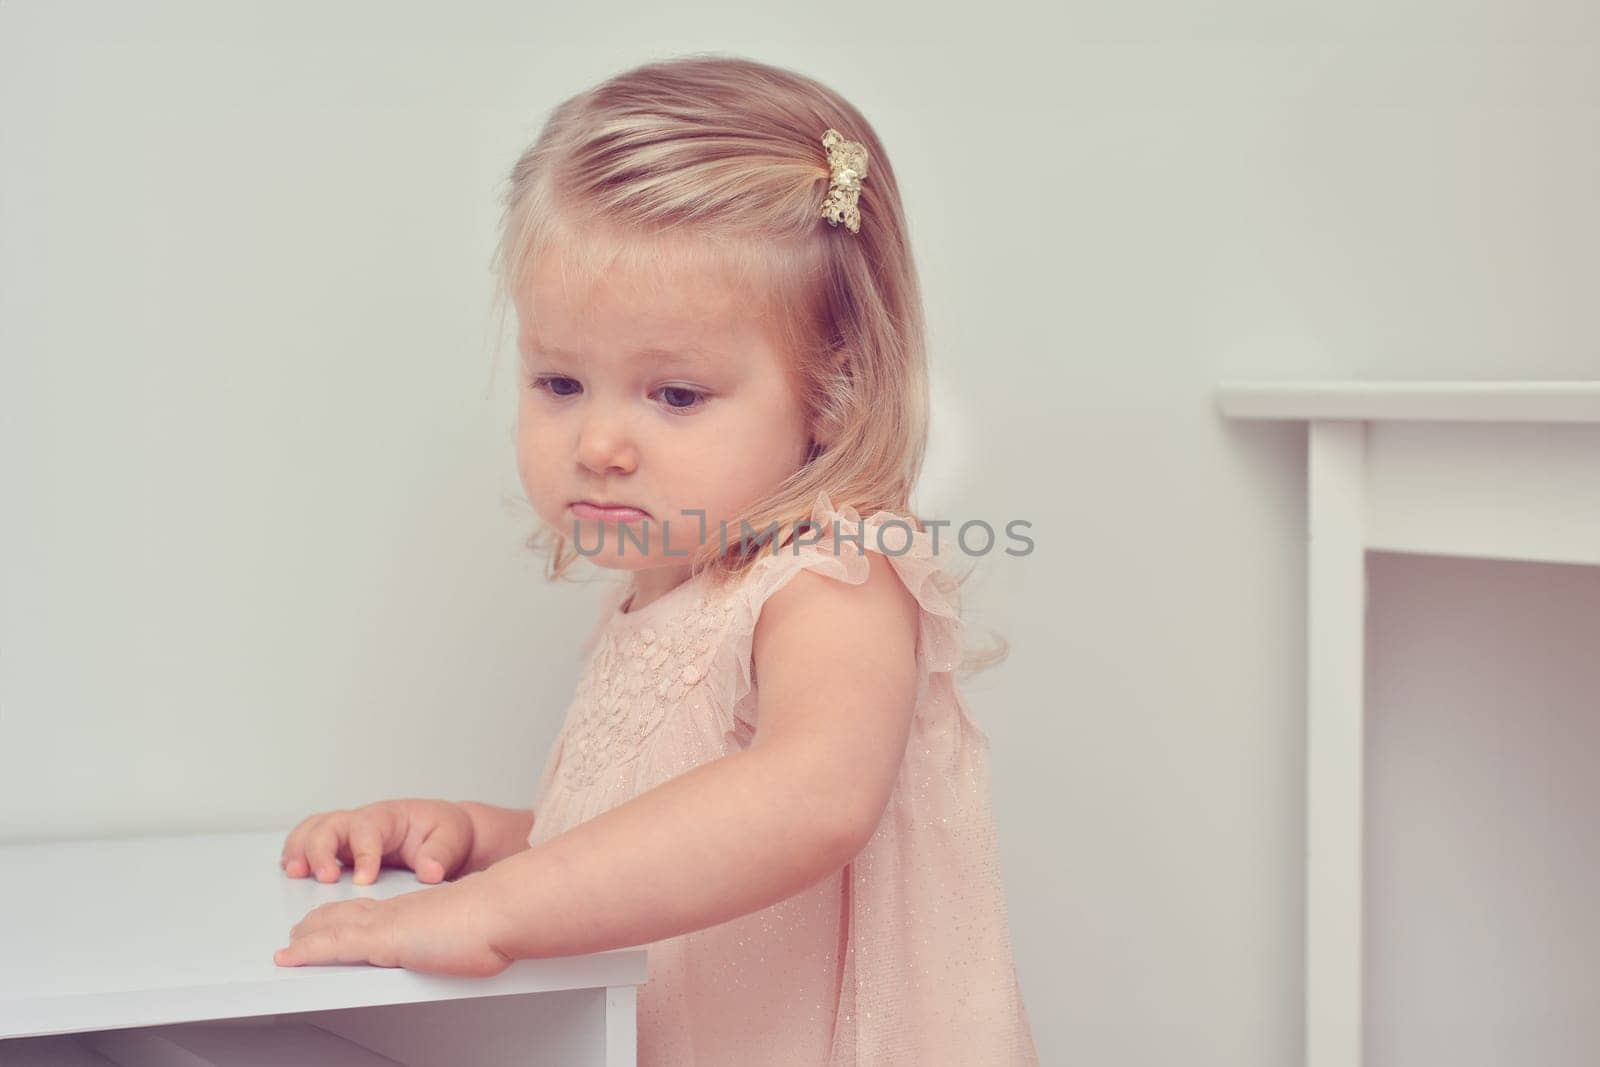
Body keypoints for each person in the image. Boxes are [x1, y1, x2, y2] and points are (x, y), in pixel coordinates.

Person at [274, 53, 1039, 1065]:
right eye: (558, 381)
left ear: (833, 392)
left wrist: (501, 910)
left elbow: (810, 797)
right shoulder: (675, 585)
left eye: (673, 395)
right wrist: (474, 837)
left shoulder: (833, 579)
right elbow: (652, 836)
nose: (598, 443)